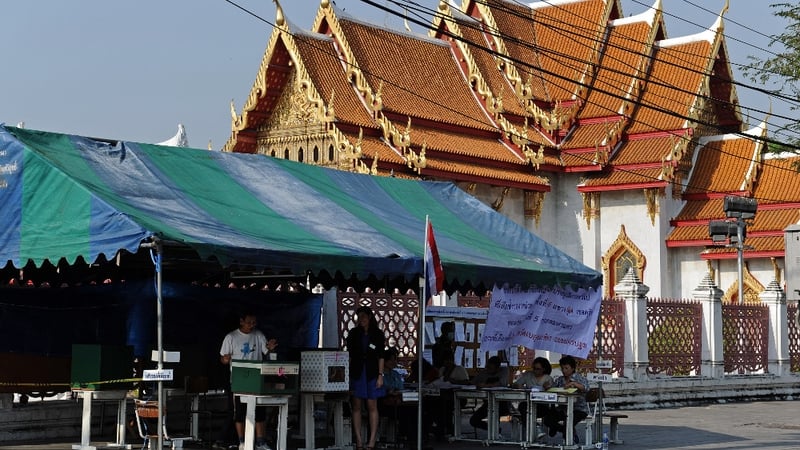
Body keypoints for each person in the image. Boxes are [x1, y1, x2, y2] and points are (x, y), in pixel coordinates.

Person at [219, 311, 278, 450]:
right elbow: (222, 358)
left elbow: (267, 352)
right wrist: (225, 359)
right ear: (241, 321)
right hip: (239, 380)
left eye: (254, 322)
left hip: (257, 378)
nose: (252, 325)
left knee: (259, 411)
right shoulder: (231, 337)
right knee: (239, 412)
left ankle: (260, 441)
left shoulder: (258, 335)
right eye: (249, 322)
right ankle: (242, 441)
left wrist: (270, 348)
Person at [345, 306, 386, 450]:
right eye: (359, 317)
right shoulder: (354, 333)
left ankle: (372, 440)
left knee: (371, 406)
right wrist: (346, 375)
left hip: (372, 372)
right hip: (357, 372)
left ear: (369, 317)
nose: (361, 319)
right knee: (356, 406)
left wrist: (380, 376)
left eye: (363, 316)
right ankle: (359, 440)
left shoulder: (378, 334)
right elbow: (349, 355)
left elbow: (381, 356)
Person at [542, 355, 590, 444]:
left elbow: (586, 388)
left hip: (578, 409)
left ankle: (568, 440)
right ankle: (562, 430)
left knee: (568, 422)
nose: (564, 371)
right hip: (562, 408)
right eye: (562, 368)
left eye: (566, 368)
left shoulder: (579, 378)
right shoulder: (560, 380)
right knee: (547, 419)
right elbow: (553, 389)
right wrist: (547, 387)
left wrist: (574, 384)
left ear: (572, 368)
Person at [512, 357, 554, 434]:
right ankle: (535, 429)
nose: (535, 370)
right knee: (522, 406)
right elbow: (516, 384)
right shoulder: (528, 375)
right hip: (528, 403)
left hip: (541, 405)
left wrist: (547, 387)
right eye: (534, 368)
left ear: (544, 369)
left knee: (527, 410)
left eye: (538, 369)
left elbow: (551, 391)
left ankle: (534, 430)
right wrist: (519, 386)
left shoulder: (548, 378)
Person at [469, 355, 510, 431]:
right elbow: (472, 382)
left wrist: (486, 385)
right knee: (473, 421)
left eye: (490, 368)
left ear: (497, 368)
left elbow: (502, 383)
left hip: (501, 403)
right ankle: (493, 430)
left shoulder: (504, 371)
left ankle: (495, 434)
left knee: (494, 415)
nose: (488, 369)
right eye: (487, 367)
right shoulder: (484, 373)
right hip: (488, 403)